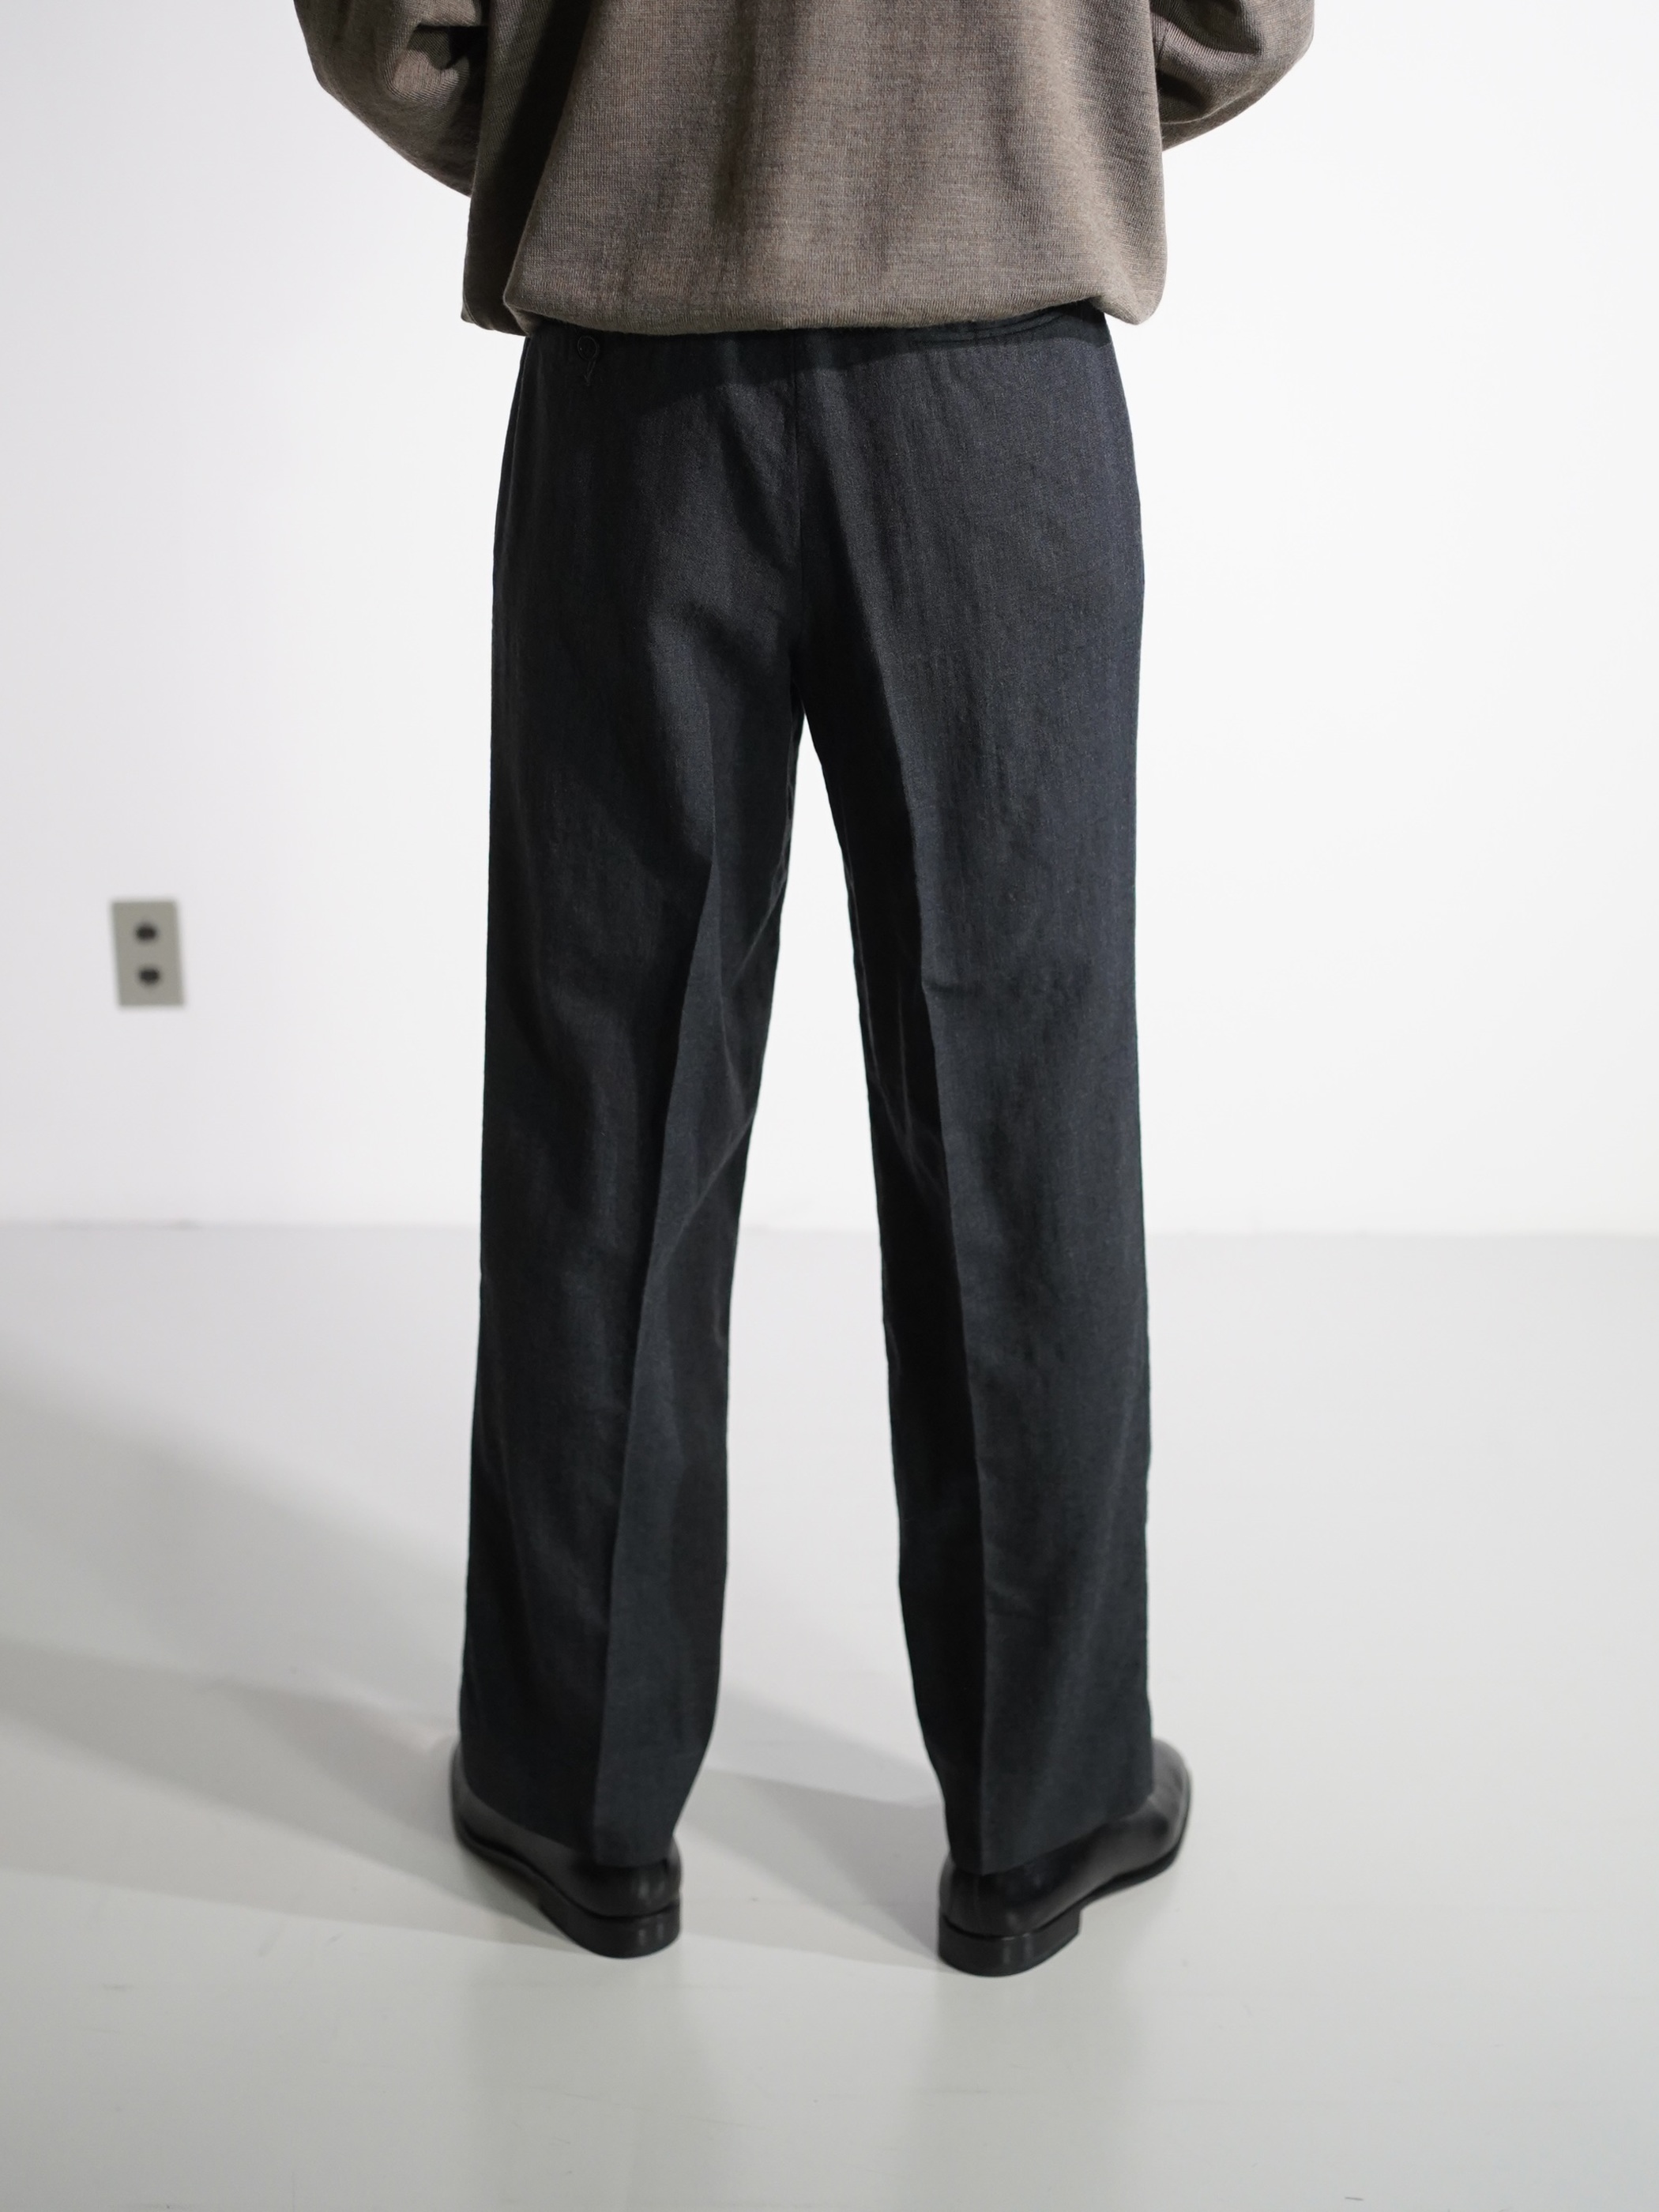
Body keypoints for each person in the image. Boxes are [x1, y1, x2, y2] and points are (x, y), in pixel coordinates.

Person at [295, 0, 1313, 1976]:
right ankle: (1044, 1807)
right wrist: (1025, 131)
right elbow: (1238, 14)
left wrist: (610, 141)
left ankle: (580, 1791)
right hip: (997, 391)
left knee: (608, 1083)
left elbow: (382, 26)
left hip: (636, 394)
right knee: (1022, 1096)